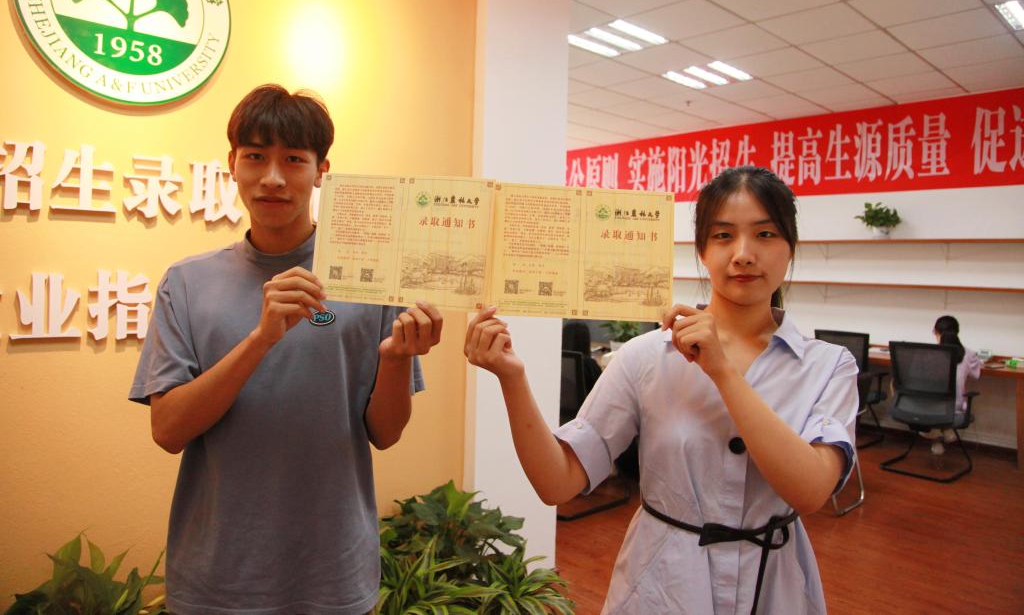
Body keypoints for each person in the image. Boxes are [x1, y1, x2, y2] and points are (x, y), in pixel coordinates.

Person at [464, 166, 858, 614]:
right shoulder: (647, 356)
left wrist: (723, 372)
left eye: (765, 234)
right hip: (666, 585)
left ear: (790, 247)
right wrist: (511, 378)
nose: (744, 254)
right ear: (702, 250)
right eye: (724, 236)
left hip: (773, 586)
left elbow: (810, 492)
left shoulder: (828, 365)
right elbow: (558, 481)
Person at [129, 84, 442, 615]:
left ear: (322, 171)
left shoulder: (370, 279)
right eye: (255, 156)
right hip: (217, 578)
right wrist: (261, 338)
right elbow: (168, 430)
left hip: (334, 573)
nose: (273, 177)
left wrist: (396, 358)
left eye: (294, 159)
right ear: (232, 164)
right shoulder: (186, 283)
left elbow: (385, 434)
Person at [924, 315, 982, 455]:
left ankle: (937, 439)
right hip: (956, 408)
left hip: (928, 408)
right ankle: (946, 429)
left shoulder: (928, 353)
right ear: (957, 332)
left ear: (936, 332)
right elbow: (976, 375)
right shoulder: (969, 354)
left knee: (926, 404)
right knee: (940, 407)